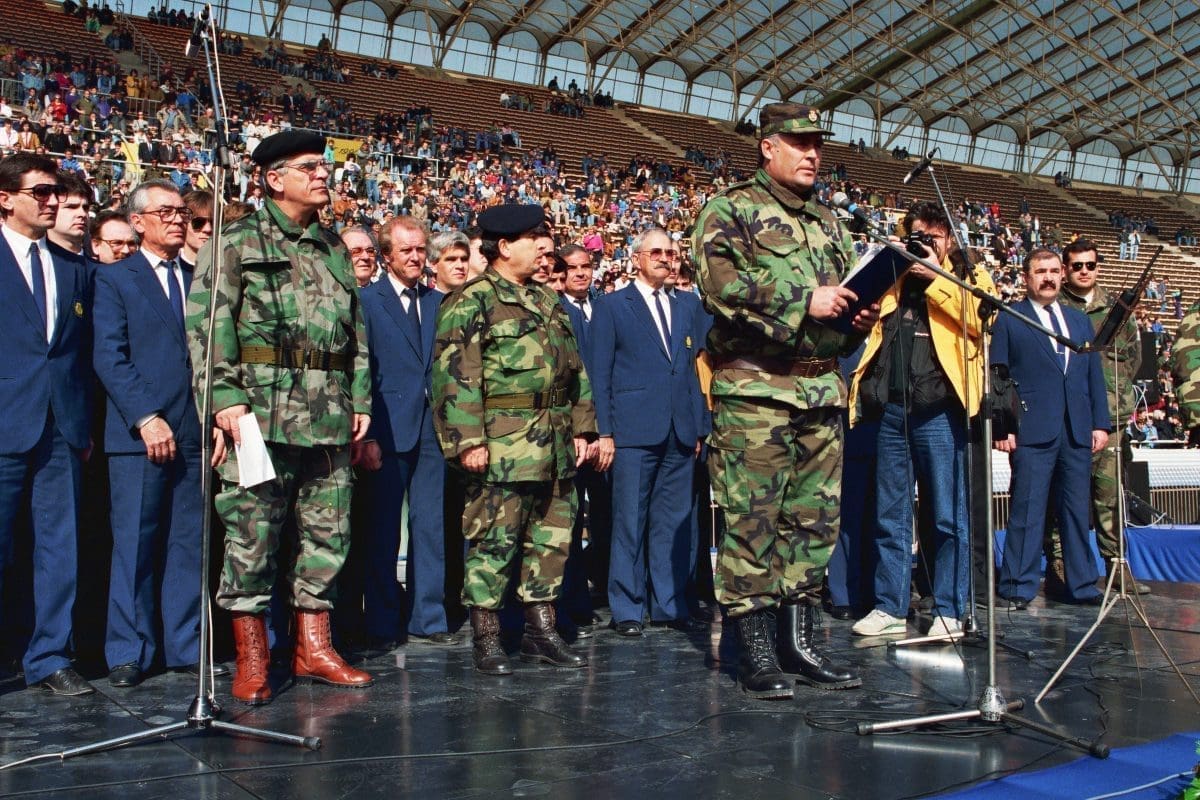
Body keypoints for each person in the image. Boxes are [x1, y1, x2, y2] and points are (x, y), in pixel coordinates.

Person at [693, 102, 875, 699]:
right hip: (757, 392)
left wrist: (856, 315)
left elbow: (839, 303)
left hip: (821, 389)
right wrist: (805, 300)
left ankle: (800, 643)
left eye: (817, 144)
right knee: (753, 521)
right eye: (800, 143)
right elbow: (720, 288)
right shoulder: (730, 210)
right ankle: (754, 650)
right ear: (768, 147)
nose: (812, 154)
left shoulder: (829, 222)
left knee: (813, 522)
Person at [185, 130, 373, 705]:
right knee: (252, 535)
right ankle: (253, 656)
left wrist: (361, 399)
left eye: (324, 166)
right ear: (273, 178)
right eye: (309, 167)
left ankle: (314, 648)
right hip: (259, 415)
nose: (323, 174)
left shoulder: (333, 246)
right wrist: (224, 399)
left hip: (329, 414)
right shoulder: (235, 240)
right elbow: (207, 326)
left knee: (328, 533)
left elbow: (356, 333)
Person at [432, 205, 596, 676]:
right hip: (503, 444)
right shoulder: (472, 300)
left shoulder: (547, 300)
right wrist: (468, 442)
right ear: (503, 247)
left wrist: (583, 428)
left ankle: (540, 632)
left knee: (550, 540)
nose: (543, 248)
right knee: (494, 542)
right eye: (531, 239)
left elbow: (575, 371)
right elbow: (454, 378)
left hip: (555, 442)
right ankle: (486, 637)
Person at [92, 179, 226, 688]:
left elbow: (215, 357)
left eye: (182, 213)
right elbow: (110, 355)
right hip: (140, 434)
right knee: (135, 544)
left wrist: (217, 418)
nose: (177, 220)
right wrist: (146, 416)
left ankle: (185, 646)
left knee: (188, 544)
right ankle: (129, 651)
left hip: (194, 429)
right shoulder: (115, 278)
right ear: (138, 221)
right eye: (166, 212)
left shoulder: (200, 280)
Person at [849, 201, 994, 638]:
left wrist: (935, 277)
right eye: (917, 237)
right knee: (890, 515)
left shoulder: (968, 274)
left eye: (933, 238)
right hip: (892, 408)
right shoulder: (891, 276)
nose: (924, 245)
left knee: (948, 516)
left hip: (940, 410)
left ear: (948, 240)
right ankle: (890, 607)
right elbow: (861, 312)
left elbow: (982, 319)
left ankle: (950, 609)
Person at [0, 153, 94, 695]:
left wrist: (81, 425)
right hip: (6, 423)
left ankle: (50, 656)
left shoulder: (71, 267)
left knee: (59, 546)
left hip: (61, 428)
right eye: (41, 192)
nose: (53, 201)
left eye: (56, 192)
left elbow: (74, 353)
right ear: (5, 198)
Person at [590, 227, 708, 636]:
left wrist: (698, 428)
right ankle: (627, 608)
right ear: (636, 259)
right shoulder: (612, 306)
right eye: (656, 252)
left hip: (680, 431)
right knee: (629, 522)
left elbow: (693, 371)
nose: (665, 259)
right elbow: (599, 373)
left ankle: (669, 604)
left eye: (671, 254)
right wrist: (604, 432)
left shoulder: (687, 304)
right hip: (632, 431)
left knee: (672, 523)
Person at [356, 217, 458, 646]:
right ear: (386, 256)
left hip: (433, 431)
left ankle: (428, 618)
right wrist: (368, 435)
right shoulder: (366, 301)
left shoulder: (440, 302)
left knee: (430, 527)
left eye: (420, 249)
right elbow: (362, 370)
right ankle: (382, 622)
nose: (416, 257)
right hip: (386, 430)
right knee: (382, 531)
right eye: (406, 251)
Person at [991, 248, 1110, 608]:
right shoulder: (1011, 318)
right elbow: (998, 376)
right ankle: (1017, 586)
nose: (1048, 277)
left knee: (1076, 511)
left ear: (1062, 275)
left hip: (1076, 429)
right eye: (1041, 271)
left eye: (1054, 271)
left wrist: (1100, 423)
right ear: (1027, 277)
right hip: (1031, 429)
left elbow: (1093, 375)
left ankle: (1083, 585)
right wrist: (1003, 427)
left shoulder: (1079, 321)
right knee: (1027, 509)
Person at [1044, 239, 1149, 596]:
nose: (1084, 271)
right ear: (1066, 269)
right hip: (1068, 418)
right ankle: (1060, 564)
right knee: (1064, 495)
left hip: (1112, 418)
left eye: (1090, 265)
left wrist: (1112, 394)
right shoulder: (1055, 308)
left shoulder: (1118, 308)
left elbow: (1132, 359)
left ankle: (1116, 566)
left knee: (1110, 497)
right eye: (1077, 266)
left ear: (1098, 267)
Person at [559, 244, 612, 608]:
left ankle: (604, 583)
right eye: (572, 267)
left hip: (608, 433)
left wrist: (604, 431)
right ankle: (574, 598)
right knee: (571, 518)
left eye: (586, 266)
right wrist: (584, 430)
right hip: (572, 432)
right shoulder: (556, 310)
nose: (580, 273)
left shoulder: (605, 308)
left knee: (609, 515)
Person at [47, 172, 91, 255]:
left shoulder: (99, 264)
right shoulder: (32, 261)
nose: (82, 214)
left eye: (85, 208)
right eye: (71, 207)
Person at [178, 189, 213, 271]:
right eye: (198, 222)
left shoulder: (225, 268)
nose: (208, 229)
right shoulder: (168, 269)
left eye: (213, 222)